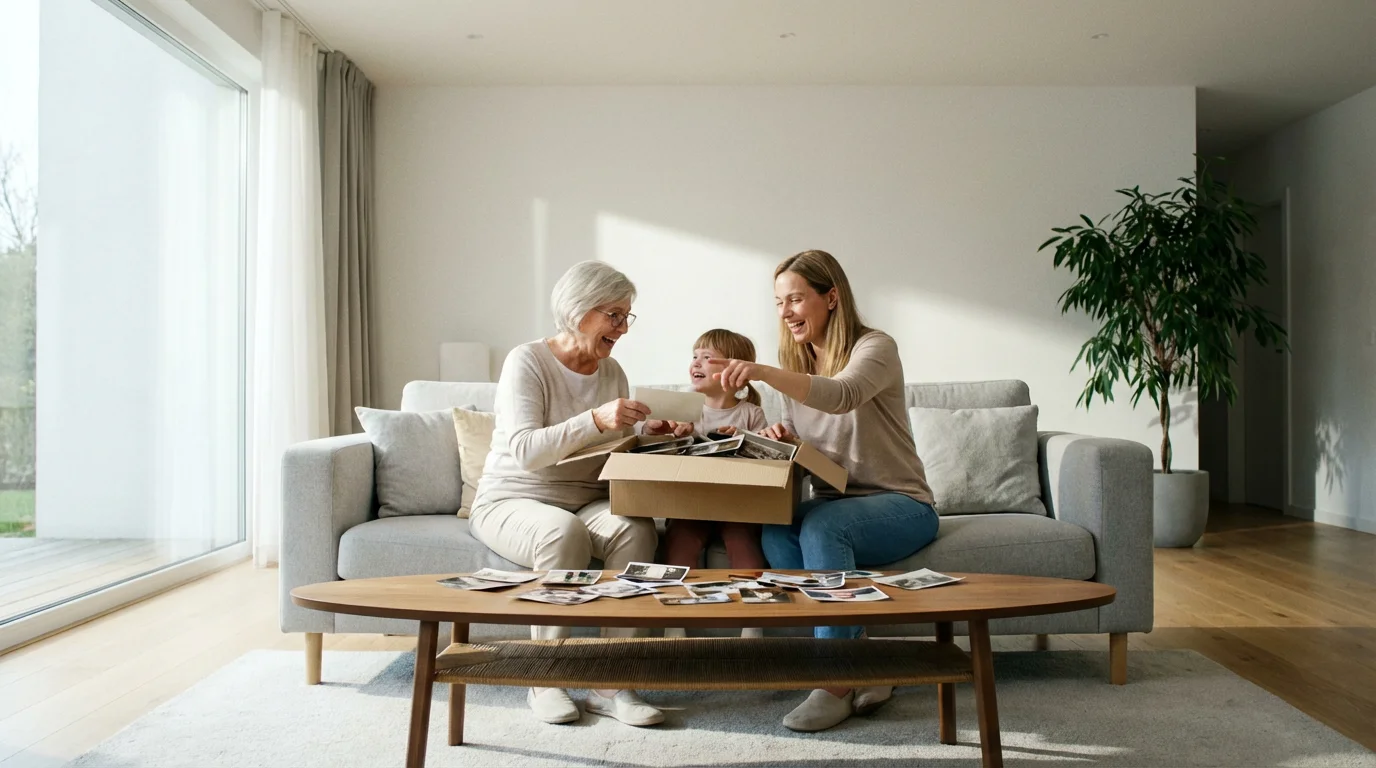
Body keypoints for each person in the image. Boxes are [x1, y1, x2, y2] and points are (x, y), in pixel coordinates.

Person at [711, 249, 940, 732]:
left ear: (831, 297)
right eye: (779, 303)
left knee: (821, 525)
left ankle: (835, 678)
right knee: (777, 534)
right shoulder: (793, 364)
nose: (786, 312)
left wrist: (761, 372)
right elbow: (813, 450)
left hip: (903, 504)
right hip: (837, 500)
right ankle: (862, 663)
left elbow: (842, 396)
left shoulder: (874, 348)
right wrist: (786, 441)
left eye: (796, 299)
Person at [469, 261, 664, 728]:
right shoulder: (527, 361)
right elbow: (526, 452)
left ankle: (610, 682)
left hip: (586, 496)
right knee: (561, 532)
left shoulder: (612, 370)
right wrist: (596, 419)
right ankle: (545, 676)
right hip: (512, 497)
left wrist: (646, 433)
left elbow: (610, 447)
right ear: (579, 311)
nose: (621, 327)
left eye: (626, 316)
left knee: (635, 532)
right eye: (613, 315)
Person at [651, 329, 770, 639]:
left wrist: (743, 442)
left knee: (743, 543)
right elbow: (657, 455)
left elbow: (770, 461)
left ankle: (752, 621)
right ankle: (675, 620)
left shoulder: (751, 413)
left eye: (707, 357)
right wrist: (674, 435)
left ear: (735, 373)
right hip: (691, 502)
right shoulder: (682, 407)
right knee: (680, 542)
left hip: (737, 504)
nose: (697, 362)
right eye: (695, 356)